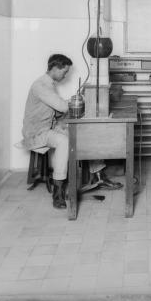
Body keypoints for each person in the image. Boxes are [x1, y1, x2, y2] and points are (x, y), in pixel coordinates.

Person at [22, 54, 122, 209]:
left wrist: (76, 100)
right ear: (55, 68)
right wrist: (79, 99)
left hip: (48, 128)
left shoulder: (49, 84)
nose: (65, 75)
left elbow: (56, 109)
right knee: (64, 142)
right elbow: (62, 107)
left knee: (82, 134)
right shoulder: (40, 86)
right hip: (36, 133)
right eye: (65, 71)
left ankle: (98, 175)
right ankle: (58, 193)